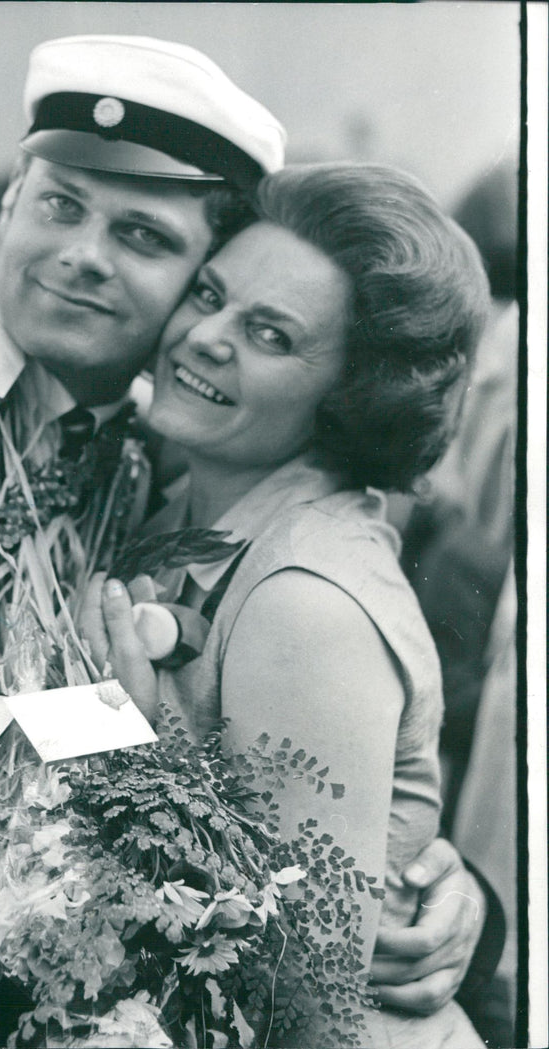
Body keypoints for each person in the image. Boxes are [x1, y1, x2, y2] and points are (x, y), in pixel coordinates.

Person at [0, 44, 494, 1026]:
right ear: (9, 202)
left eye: (141, 235)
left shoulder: (164, 465)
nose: (82, 254)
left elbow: (313, 833)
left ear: (198, 268)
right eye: (59, 205)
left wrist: (459, 895)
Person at [78, 161, 492, 1047]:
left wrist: (120, 746)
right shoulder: (186, 489)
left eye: (269, 334)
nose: (203, 336)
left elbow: (299, 1001)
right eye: (211, 295)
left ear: (350, 396)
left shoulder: (307, 600)